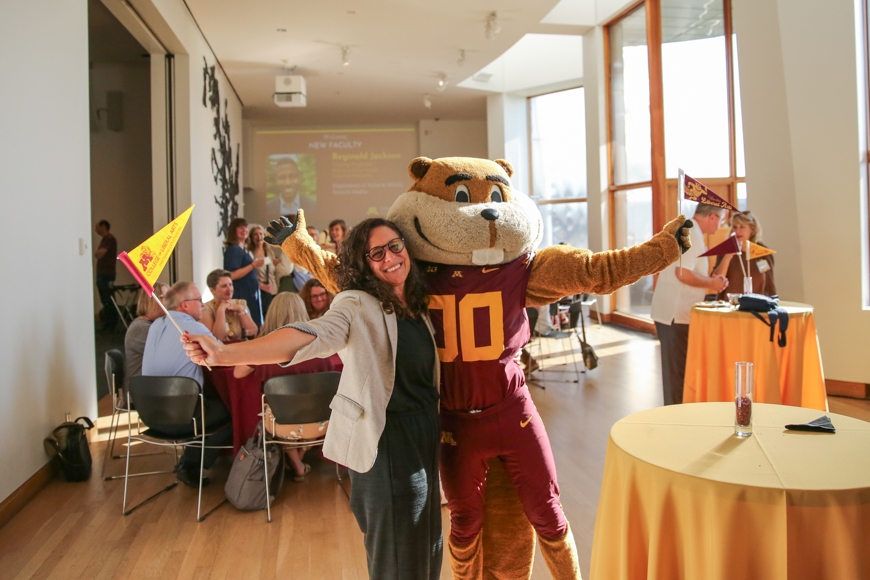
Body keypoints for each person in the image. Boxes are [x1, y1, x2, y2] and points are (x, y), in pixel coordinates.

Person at [182, 219, 442, 579]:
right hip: (387, 442)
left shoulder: (415, 302)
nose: (390, 258)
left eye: (395, 246)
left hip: (425, 435)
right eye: (377, 253)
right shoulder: (356, 303)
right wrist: (226, 355)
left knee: (428, 547)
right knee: (399, 562)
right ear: (363, 263)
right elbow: (311, 333)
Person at [234, 292, 342, 482]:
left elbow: (237, 373)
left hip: (281, 426)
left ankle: (296, 462)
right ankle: (298, 459)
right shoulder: (321, 346)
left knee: (280, 410)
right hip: (323, 423)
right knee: (307, 407)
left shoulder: (264, 349)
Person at [142, 282, 232, 487]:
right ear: (184, 305)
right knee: (230, 410)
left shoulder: (156, 325)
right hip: (182, 416)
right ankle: (190, 465)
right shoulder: (193, 328)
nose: (202, 304)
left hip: (149, 414)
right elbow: (221, 355)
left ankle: (190, 461)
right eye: (199, 300)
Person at [651, 205, 729, 405]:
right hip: (675, 315)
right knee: (677, 375)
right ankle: (677, 418)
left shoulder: (689, 231)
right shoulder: (691, 234)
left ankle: (678, 415)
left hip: (674, 313)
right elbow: (682, 273)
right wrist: (711, 283)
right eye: (721, 220)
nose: (721, 225)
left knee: (678, 373)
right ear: (712, 217)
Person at [713, 210, 777, 297]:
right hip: (730, 306)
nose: (737, 231)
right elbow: (716, 280)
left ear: (752, 229)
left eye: (742, 227)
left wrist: (774, 301)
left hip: (757, 305)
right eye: (735, 227)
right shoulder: (726, 250)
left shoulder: (762, 252)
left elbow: (769, 282)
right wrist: (728, 257)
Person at [223, 217, 264, 327]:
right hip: (242, 294)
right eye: (240, 227)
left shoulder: (244, 249)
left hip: (251, 294)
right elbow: (232, 275)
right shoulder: (233, 250)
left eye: (245, 227)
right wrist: (252, 265)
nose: (244, 230)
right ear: (233, 230)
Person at [123, 282, 168, 384]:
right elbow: (170, 353)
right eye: (167, 297)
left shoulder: (155, 325)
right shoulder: (141, 329)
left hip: (152, 388)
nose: (172, 302)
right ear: (152, 300)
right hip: (142, 392)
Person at [201, 269, 257, 343]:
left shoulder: (240, 303)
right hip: (220, 350)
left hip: (242, 349)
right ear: (212, 290)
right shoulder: (206, 308)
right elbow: (215, 339)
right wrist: (221, 311)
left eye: (230, 285)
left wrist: (241, 310)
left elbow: (253, 333)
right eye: (224, 286)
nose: (229, 289)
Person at [247, 224, 281, 315]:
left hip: (273, 291)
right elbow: (249, 276)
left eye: (261, 234)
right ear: (251, 237)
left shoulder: (269, 253)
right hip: (259, 291)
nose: (259, 237)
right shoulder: (249, 254)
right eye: (256, 234)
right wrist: (261, 286)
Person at [94, 219, 118, 330]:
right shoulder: (105, 239)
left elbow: (99, 254)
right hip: (102, 273)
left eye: (98, 227)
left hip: (107, 273)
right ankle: (109, 322)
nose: (96, 229)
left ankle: (111, 323)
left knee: (108, 299)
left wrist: (97, 253)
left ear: (103, 227)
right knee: (105, 298)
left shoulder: (109, 239)